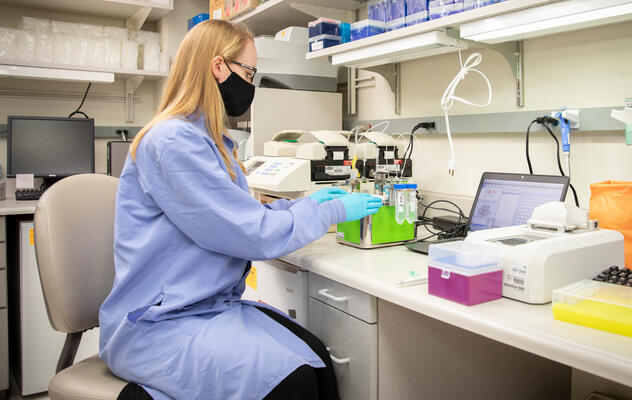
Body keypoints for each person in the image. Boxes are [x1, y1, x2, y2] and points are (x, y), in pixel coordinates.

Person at [98, 19, 383, 400]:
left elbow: (240, 214)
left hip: (206, 308)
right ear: (219, 67)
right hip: (159, 323)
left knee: (316, 359)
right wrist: (329, 213)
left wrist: (301, 204)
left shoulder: (212, 141)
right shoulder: (173, 141)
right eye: (249, 72)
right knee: (292, 383)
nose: (250, 84)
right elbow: (253, 234)